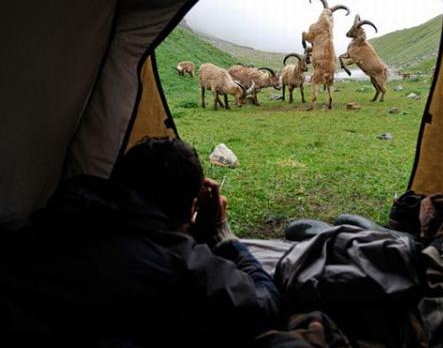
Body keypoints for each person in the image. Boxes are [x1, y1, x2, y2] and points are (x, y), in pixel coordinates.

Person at [1, 137, 281, 347]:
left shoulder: (48, 222)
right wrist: (222, 235)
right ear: (190, 208)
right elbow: (262, 306)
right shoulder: (179, 263)